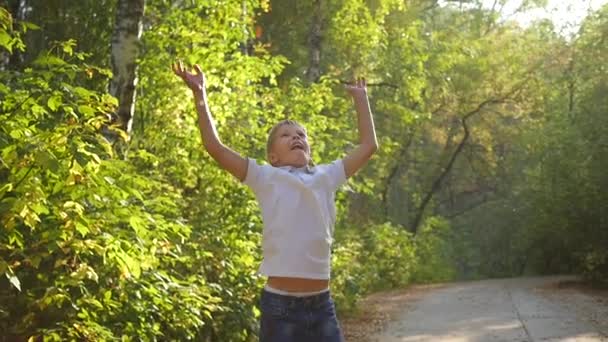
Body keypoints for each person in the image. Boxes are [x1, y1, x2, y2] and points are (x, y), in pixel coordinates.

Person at [172, 61, 378, 342]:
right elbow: (215, 148)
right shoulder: (265, 177)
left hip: (321, 305)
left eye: (301, 135)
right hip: (279, 307)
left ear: (309, 149)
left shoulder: (326, 176)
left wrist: (361, 99)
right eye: (286, 134)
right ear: (273, 157)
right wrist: (200, 95)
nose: (296, 137)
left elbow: (369, 146)